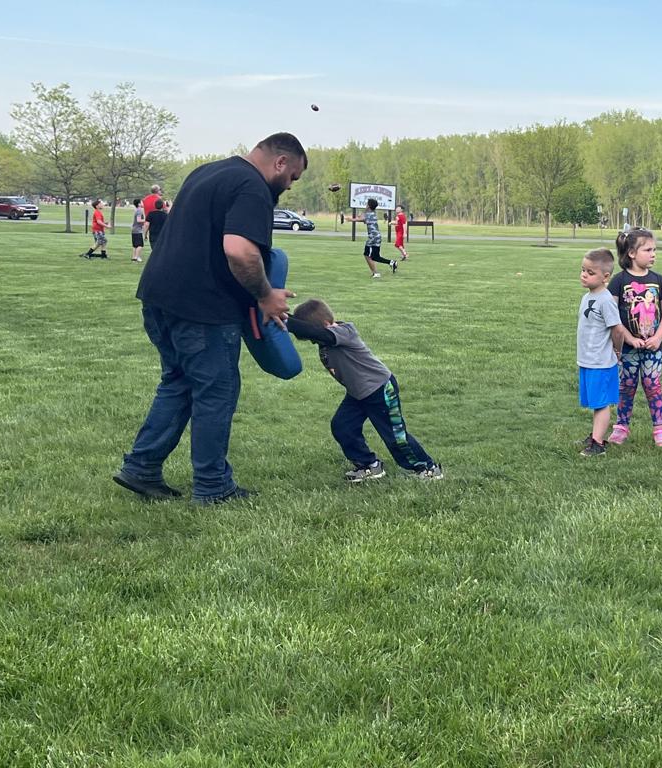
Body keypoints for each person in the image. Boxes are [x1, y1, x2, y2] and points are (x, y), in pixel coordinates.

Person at [113, 132, 307, 504]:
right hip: (203, 308)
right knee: (216, 391)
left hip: (159, 297)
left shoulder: (209, 171)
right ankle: (213, 485)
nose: (289, 185)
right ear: (280, 162)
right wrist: (266, 296)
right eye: (292, 177)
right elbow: (239, 250)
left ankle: (141, 467)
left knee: (179, 383)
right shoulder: (252, 186)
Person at [285, 299, 443, 480]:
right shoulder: (326, 335)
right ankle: (369, 465)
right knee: (343, 426)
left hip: (380, 389)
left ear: (326, 324)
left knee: (394, 436)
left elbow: (318, 333)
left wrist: (287, 322)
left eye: (313, 338)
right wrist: (274, 314)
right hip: (358, 393)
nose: (314, 341)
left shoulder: (345, 332)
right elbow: (310, 330)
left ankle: (428, 468)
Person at [606, 228, 662, 447]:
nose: (653, 254)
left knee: (652, 385)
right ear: (632, 253)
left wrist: (658, 337)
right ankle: (621, 427)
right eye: (648, 250)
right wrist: (628, 338)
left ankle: (660, 429)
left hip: (654, 347)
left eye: (654, 250)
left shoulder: (659, 280)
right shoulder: (619, 281)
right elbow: (612, 315)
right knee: (626, 386)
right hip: (628, 349)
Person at [577, 248, 623, 456]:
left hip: (601, 362)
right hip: (587, 360)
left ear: (605, 277)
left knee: (602, 403)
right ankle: (595, 435)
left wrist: (617, 350)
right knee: (595, 401)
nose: (584, 275)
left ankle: (598, 444)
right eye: (583, 270)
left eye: (590, 272)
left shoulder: (606, 301)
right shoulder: (588, 297)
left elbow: (617, 330)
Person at [346, 198, 397, 278]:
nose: (366, 205)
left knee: (367, 255)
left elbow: (360, 219)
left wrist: (350, 219)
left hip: (373, 237)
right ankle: (392, 262)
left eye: (367, 204)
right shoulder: (372, 213)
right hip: (376, 237)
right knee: (375, 257)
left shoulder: (369, 214)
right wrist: (360, 215)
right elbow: (362, 218)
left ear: (368, 206)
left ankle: (376, 273)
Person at [131, 198, 145, 262]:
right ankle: (136, 257)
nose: (143, 203)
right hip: (138, 230)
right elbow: (138, 220)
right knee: (140, 245)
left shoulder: (136, 210)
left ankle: (134, 257)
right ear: (139, 204)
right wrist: (146, 220)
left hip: (134, 230)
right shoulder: (139, 210)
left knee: (135, 245)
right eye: (141, 202)